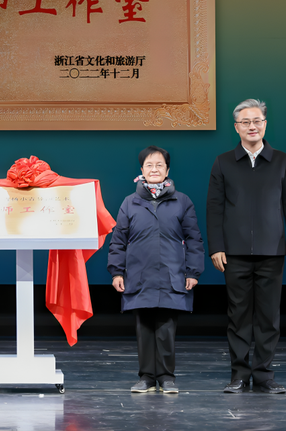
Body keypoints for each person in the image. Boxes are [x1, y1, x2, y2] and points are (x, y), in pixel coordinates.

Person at [206, 98, 286, 394]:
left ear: (265, 124)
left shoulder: (282, 161)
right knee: (238, 317)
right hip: (233, 253)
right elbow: (214, 207)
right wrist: (216, 246)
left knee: (268, 317)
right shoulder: (223, 162)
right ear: (236, 127)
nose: (252, 126)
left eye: (257, 121)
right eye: (246, 122)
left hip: (272, 251)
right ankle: (238, 374)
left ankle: (264, 375)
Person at [108, 146, 205, 394]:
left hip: (172, 275)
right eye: (149, 165)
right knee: (143, 328)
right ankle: (146, 378)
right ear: (141, 170)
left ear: (167, 170)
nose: (154, 169)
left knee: (166, 329)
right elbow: (118, 241)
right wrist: (117, 272)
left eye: (159, 165)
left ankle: (166, 377)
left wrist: (193, 272)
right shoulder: (130, 202)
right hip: (139, 275)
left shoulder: (182, 201)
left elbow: (194, 239)